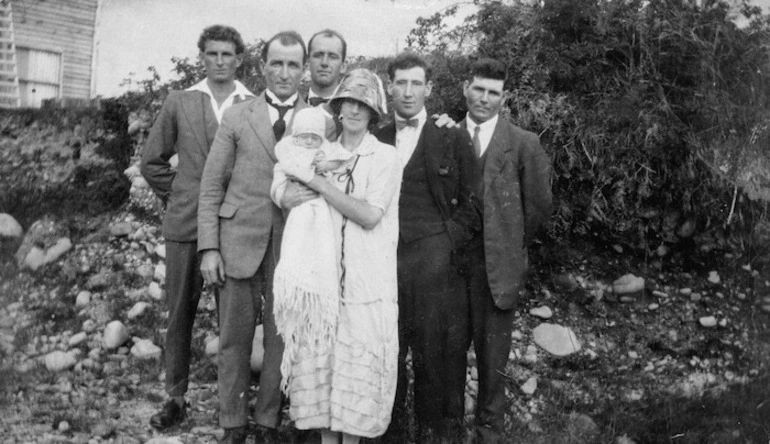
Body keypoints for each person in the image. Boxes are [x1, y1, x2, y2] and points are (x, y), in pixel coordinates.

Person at [197, 30, 331, 444]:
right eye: (276, 63)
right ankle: (233, 422)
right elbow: (211, 186)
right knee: (234, 339)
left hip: (292, 247)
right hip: (238, 240)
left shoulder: (321, 121)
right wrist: (209, 247)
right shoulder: (238, 116)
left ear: (304, 68)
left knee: (280, 338)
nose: (284, 72)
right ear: (262, 66)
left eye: (293, 64)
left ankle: (268, 422)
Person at [272, 68, 402, 444]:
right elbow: (282, 178)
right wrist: (284, 193)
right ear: (338, 107)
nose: (356, 110)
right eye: (349, 102)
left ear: (374, 111)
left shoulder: (385, 157)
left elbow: (368, 215)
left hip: (366, 287)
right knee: (325, 388)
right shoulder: (317, 152)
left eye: (364, 104)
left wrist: (316, 182)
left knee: (355, 391)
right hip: (324, 287)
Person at [139, 24, 253, 431]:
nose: (220, 61)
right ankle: (175, 398)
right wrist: (184, 191)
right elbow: (152, 162)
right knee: (179, 314)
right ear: (202, 57)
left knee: (233, 321)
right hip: (186, 223)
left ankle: (231, 410)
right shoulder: (180, 101)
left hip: (235, 227)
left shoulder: (252, 104)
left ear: (239, 59)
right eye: (212, 54)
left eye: (227, 54)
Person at [375, 52, 481, 444]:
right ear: (389, 86)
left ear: (429, 88)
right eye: (400, 83)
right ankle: (390, 434)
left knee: (433, 354)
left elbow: (474, 202)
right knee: (388, 351)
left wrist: (447, 240)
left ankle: (434, 435)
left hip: (433, 264)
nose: (407, 91)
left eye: (416, 83)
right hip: (384, 262)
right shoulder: (376, 136)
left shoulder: (450, 136)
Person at [460, 58, 552, 444]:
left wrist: (508, 247)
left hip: (497, 273)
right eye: (478, 89)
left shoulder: (523, 143)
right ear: (466, 88)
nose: (484, 98)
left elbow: (538, 208)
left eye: (493, 92)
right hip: (450, 271)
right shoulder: (444, 136)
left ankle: (488, 436)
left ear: (504, 97)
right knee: (447, 363)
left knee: (493, 365)